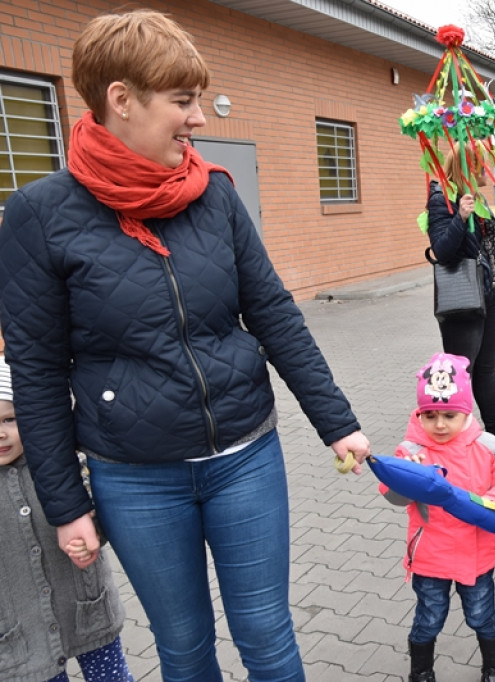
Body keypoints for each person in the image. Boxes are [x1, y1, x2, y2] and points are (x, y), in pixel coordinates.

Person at [0, 11, 372, 681]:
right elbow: (37, 370)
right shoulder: (40, 214)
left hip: (245, 457)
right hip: (134, 476)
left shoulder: (215, 195)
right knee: (184, 648)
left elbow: (273, 313)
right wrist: (66, 505)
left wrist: (337, 421)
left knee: (268, 636)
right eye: (182, 101)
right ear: (121, 99)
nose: (198, 118)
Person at [383, 353, 495, 682]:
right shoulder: (410, 451)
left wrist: (490, 503)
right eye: (429, 415)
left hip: (478, 552)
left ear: (467, 411)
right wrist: (407, 478)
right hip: (432, 555)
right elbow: (393, 496)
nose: (440, 424)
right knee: (429, 617)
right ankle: (420, 671)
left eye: (449, 415)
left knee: (481, 614)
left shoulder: (489, 446)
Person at [0, 357, 134, 682]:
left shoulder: (63, 466)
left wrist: (94, 534)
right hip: (19, 630)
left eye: (10, 419)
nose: (1, 434)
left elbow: (102, 515)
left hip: (87, 609)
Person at [428, 143, 495, 450]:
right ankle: (454, 436)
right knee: (462, 371)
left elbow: (494, 250)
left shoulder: (478, 199)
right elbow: (441, 252)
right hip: (463, 300)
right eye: (482, 164)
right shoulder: (442, 199)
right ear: (468, 167)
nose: (487, 170)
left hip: (489, 294)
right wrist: (460, 217)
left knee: (486, 368)